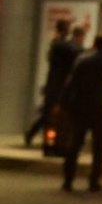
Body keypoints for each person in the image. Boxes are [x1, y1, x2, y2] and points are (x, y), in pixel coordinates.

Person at [59, 35, 102, 192]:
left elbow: (71, 82)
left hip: (81, 106)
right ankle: (94, 180)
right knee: (99, 147)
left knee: (75, 143)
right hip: (100, 108)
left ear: (94, 44)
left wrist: (64, 103)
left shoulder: (83, 61)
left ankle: (68, 179)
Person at [25, 20, 83, 148]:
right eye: (68, 27)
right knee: (49, 114)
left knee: (48, 114)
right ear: (64, 28)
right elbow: (73, 50)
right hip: (56, 86)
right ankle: (40, 137)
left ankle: (35, 134)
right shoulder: (60, 44)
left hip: (56, 85)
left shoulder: (59, 43)